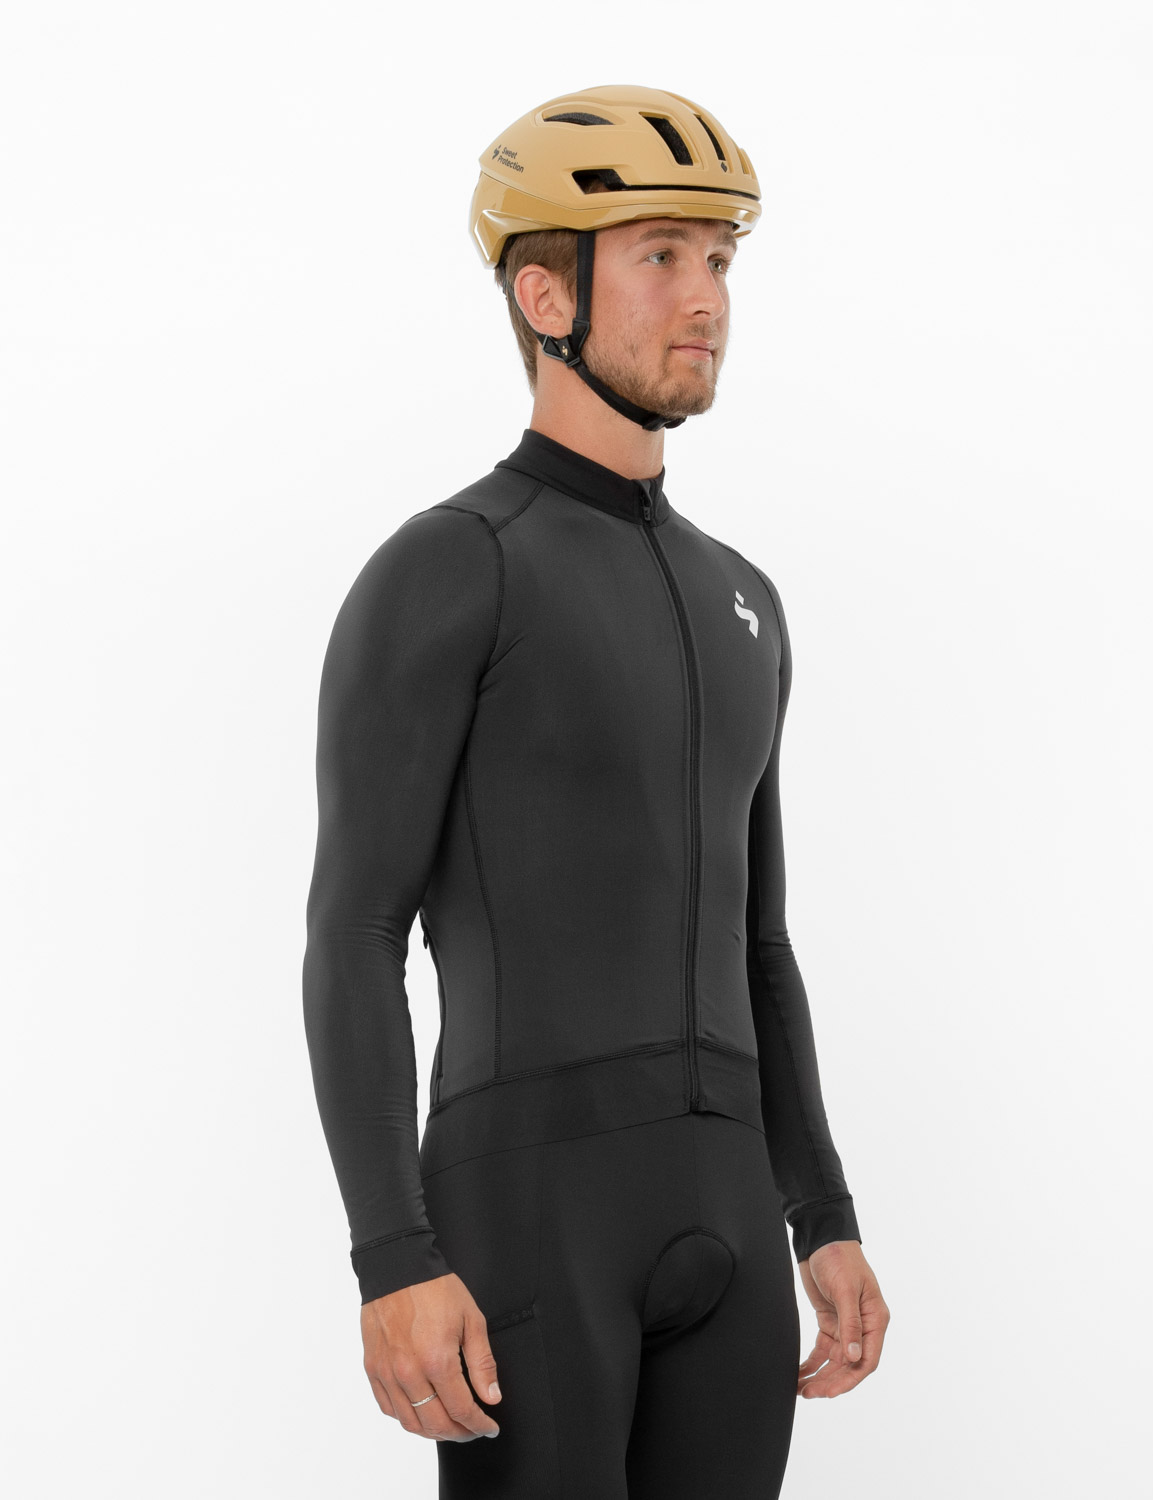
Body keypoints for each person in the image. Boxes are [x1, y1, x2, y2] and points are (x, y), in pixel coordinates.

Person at [303, 83, 890, 1498]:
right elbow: (354, 934)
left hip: (730, 1213)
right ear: (545, 294)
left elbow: (759, 943)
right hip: (529, 1209)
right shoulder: (454, 566)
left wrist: (822, 1210)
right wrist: (391, 1256)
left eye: (722, 259)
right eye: (662, 254)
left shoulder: (746, 598)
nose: (707, 297)